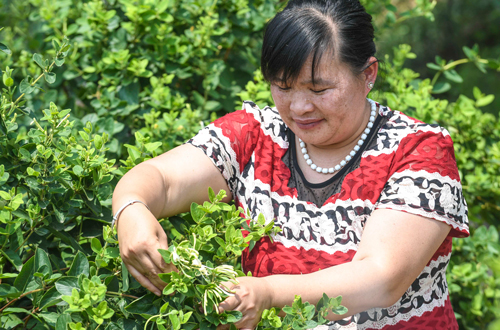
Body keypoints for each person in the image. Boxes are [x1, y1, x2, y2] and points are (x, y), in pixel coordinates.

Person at [112, 0, 469, 329]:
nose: (298, 107)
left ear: (368, 74)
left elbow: (382, 277)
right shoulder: (254, 134)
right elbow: (161, 179)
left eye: (318, 90)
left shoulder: (419, 150)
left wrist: (268, 295)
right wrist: (130, 210)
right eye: (282, 86)